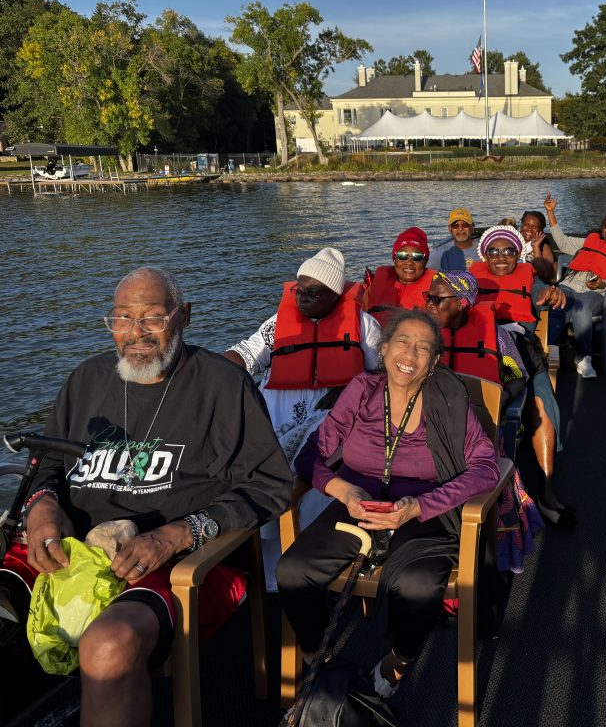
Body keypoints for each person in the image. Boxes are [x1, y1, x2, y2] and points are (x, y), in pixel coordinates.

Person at [0, 267, 291, 727]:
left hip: (172, 562)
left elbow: (270, 486)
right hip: (70, 550)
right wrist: (43, 507)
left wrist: (177, 534)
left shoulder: (223, 387)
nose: (136, 333)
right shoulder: (87, 378)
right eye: (122, 317)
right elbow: (49, 462)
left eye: (153, 317)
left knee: (107, 646)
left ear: (184, 316)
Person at [276, 310, 501, 699]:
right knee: (293, 571)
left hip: (423, 509)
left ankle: (399, 658)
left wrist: (422, 505)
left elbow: (486, 467)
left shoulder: (449, 399)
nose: (410, 354)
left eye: (423, 348)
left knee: (416, 585)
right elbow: (312, 453)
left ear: (434, 361)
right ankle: (322, 662)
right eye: (402, 342)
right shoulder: (361, 390)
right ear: (383, 349)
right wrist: (343, 491)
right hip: (359, 505)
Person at [223, 248, 381, 589]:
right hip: (277, 419)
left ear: (335, 294)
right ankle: (267, 581)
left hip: (333, 423)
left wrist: (347, 392)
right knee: (255, 474)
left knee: (308, 485)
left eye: (314, 291)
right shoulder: (278, 323)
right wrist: (209, 369)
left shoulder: (364, 325)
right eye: (299, 288)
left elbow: (380, 376)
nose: (303, 296)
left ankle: (311, 568)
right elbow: (246, 355)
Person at [426, 269, 573, 526]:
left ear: (461, 303)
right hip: (431, 424)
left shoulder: (496, 335)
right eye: (428, 297)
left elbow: (517, 377)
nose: (429, 304)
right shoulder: (420, 335)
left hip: (481, 426)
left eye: (437, 300)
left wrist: (503, 397)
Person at [468, 227, 573, 524]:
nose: (501, 257)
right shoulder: (470, 280)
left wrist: (553, 291)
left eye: (508, 251)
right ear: (484, 255)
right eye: (494, 251)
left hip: (521, 349)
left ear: (518, 254)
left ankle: (546, 492)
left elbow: (545, 290)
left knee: (542, 404)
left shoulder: (530, 277)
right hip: (479, 348)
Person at [545, 193, 606, 378]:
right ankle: (548, 350)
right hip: (569, 286)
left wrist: (601, 283)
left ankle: (584, 357)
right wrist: (550, 212)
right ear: (602, 228)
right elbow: (562, 242)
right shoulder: (588, 241)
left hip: (597, 292)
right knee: (559, 305)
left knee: (581, 307)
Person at [364, 227, 436, 325]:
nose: (409, 262)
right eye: (402, 256)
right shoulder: (375, 287)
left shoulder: (438, 290)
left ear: (425, 261)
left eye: (417, 257)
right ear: (394, 259)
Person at [519, 209, 557, 283]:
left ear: (540, 230)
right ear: (521, 226)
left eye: (534, 227)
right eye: (526, 225)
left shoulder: (544, 248)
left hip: (534, 283)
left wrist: (536, 248)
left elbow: (546, 276)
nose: (530, 229)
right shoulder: (512, 243)